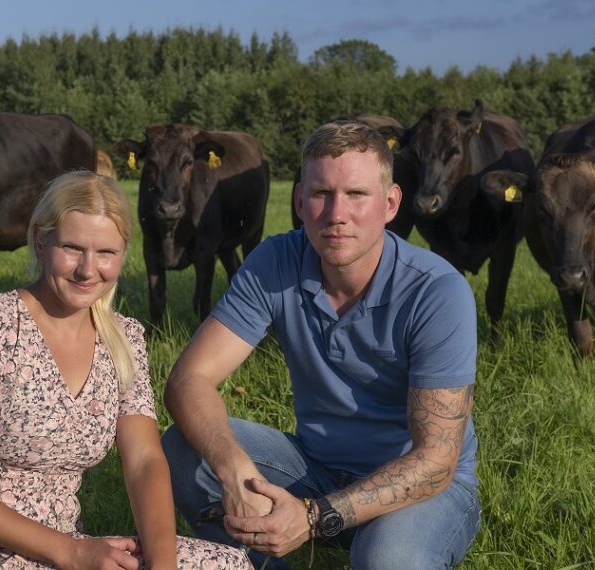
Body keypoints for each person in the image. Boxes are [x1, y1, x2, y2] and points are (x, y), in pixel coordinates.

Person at [162, 121, 481, 569]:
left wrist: (314, 518)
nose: (336, 214)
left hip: (422, 487)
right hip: (317, 465)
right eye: (321, 194)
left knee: (386, 559)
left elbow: (436, 460)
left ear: (390, 204)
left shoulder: (436, 291)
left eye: (356, 195)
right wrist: (234, 471)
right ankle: (263, 562)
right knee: (182, 449)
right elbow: (188, 379)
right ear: (297, 201)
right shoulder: (275, 261)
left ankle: (368, 538)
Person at [0, 171, 251, 570]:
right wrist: (72, 552)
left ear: (123, 255)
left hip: (73, 547)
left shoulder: (123, 340)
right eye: (72, 248)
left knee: (228, 565)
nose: (86, 270)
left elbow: (145, 461)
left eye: (105, 254)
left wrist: (163, 564)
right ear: (41, 242)